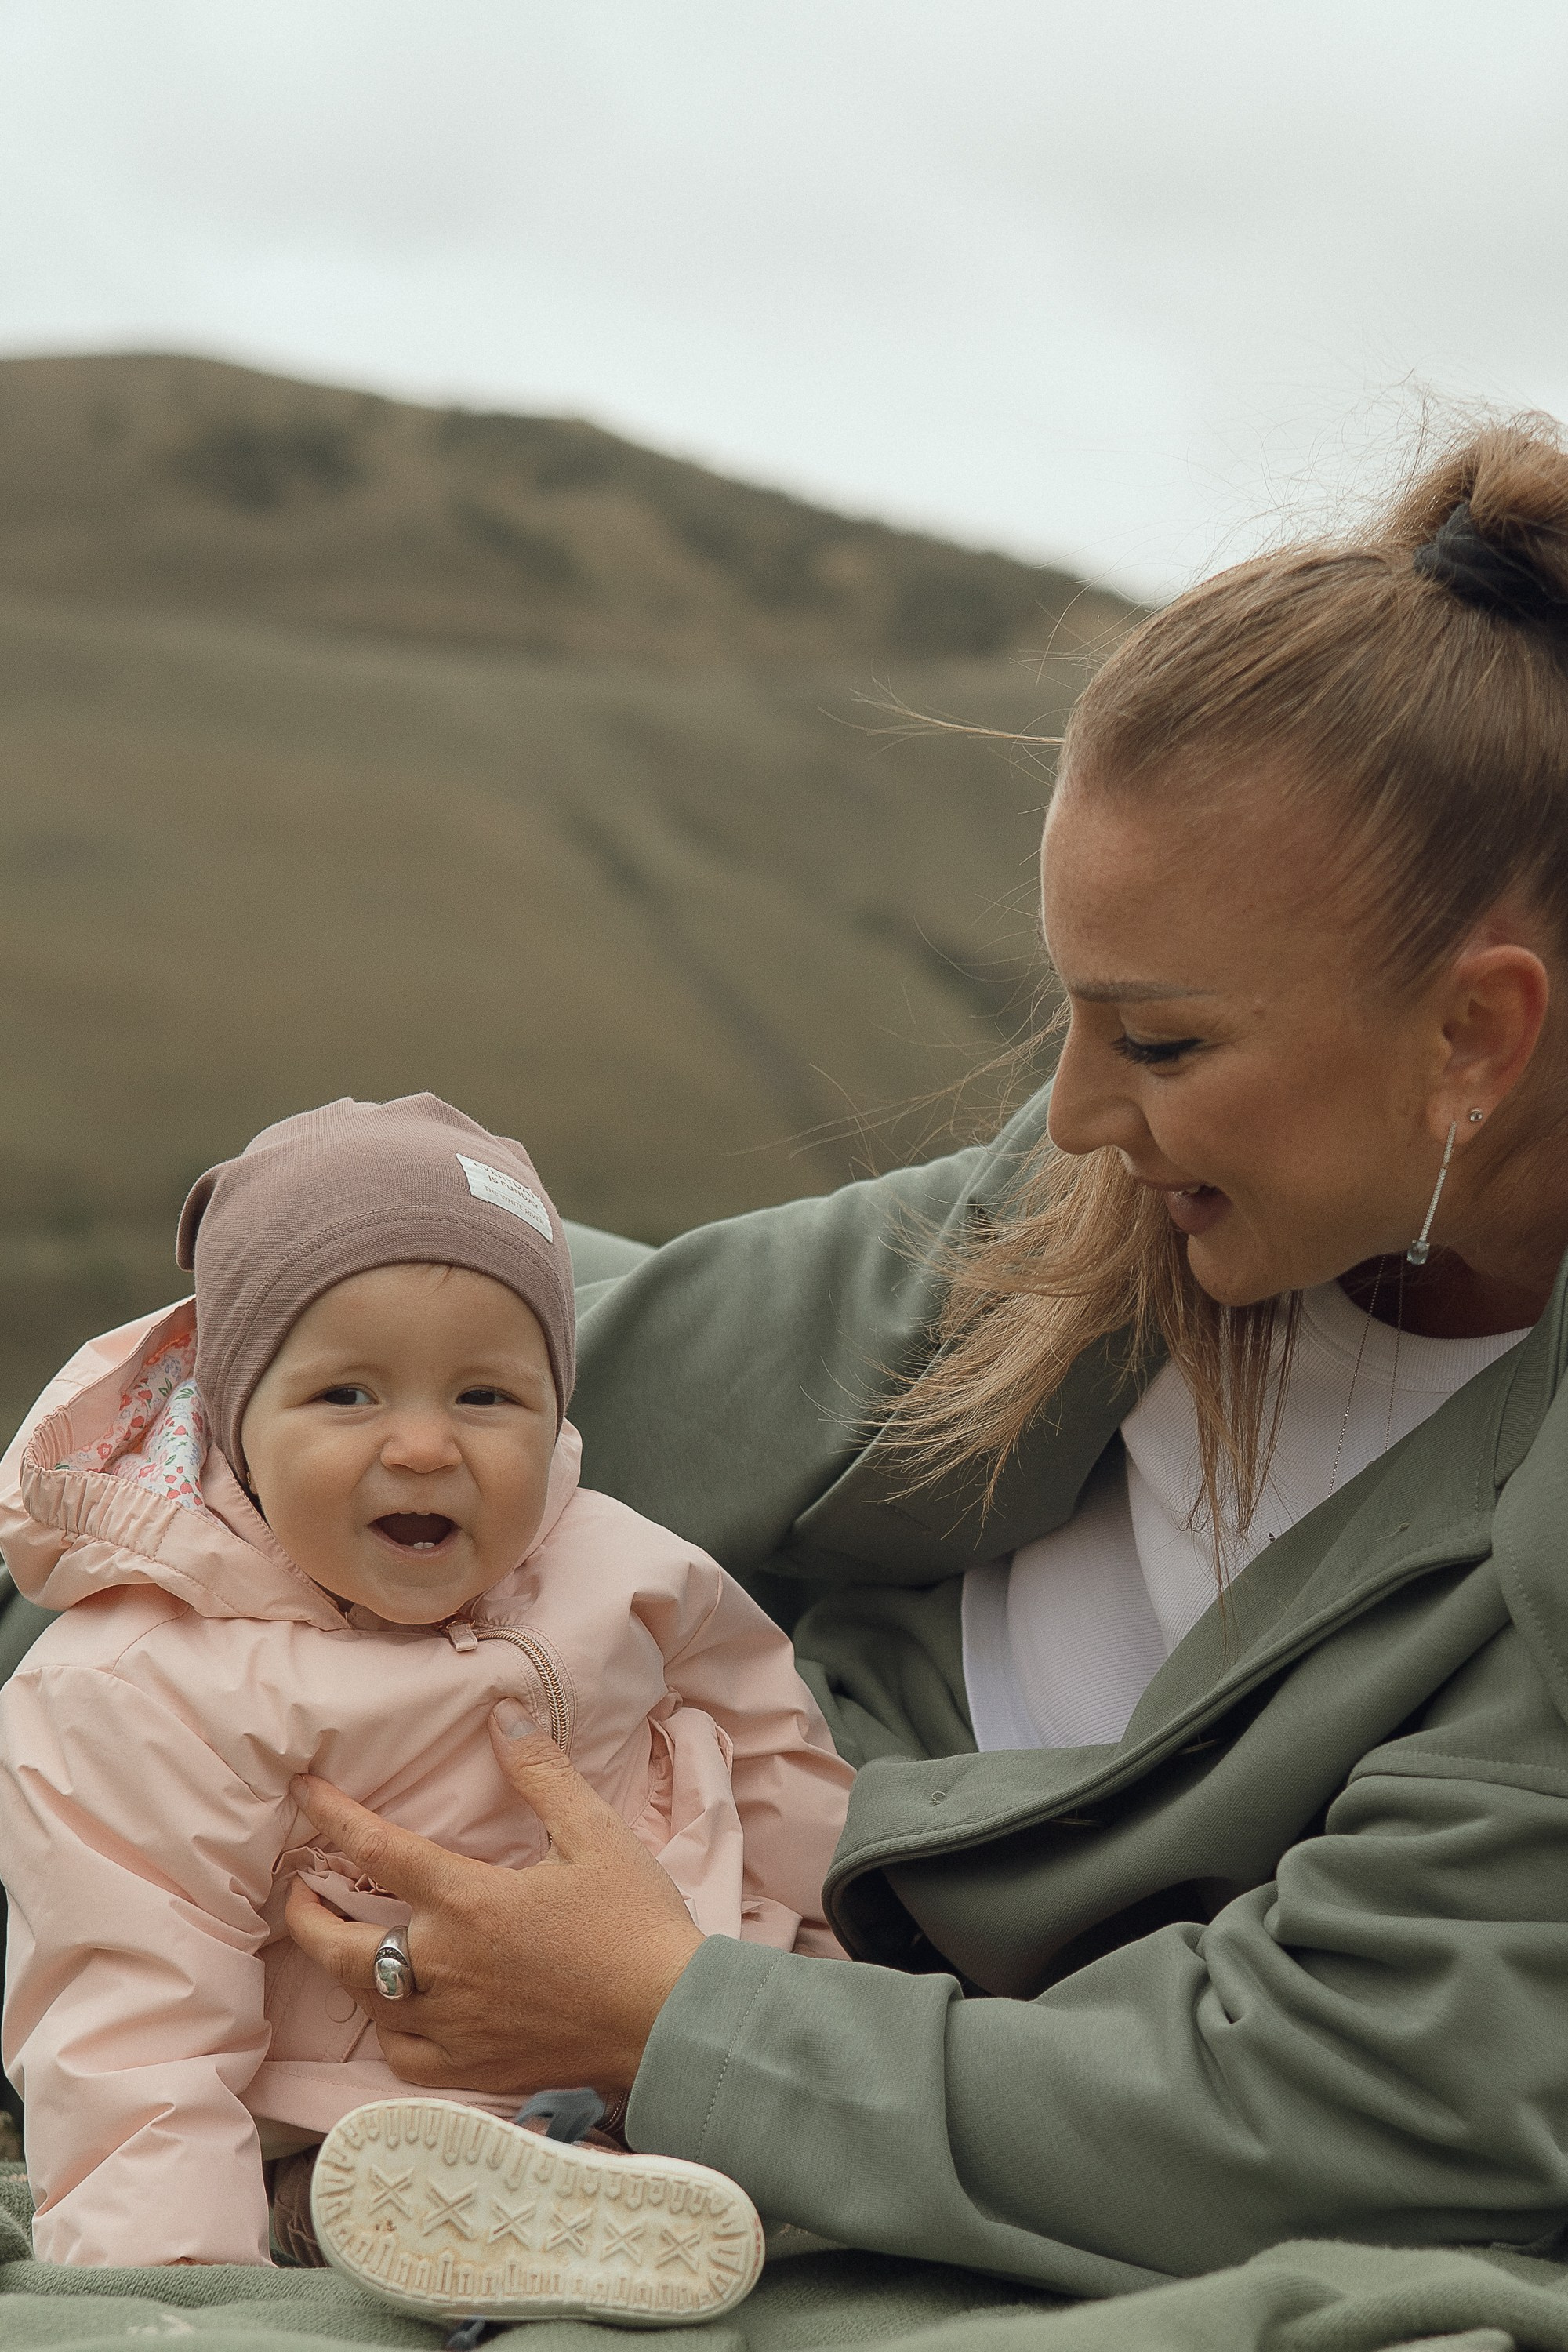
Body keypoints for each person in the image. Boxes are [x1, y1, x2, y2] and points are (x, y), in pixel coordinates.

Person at [270, 418, 1568, 2299]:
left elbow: (1335, 2109)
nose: (1075, 1110)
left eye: (1163, 1041)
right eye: (1070, 1015)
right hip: (670, 1804)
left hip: (830, 2018)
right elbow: (619, 1363)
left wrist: (664, 2016)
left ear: (1474, 1035)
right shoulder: (1109, 1199)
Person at [0, 1094, 851, 2279]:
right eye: (347, 1395)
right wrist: (172, 2290)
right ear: (234, 1420)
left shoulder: (627, 1567)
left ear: (557, 1412)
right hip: (366, 2104)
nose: (422, 1447)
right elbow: (130, 2014)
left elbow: (775, 1747)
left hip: (662, 2029)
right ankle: (337, 2219)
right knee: (337, 2170)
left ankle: (647, 2187)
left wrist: (826, 1970)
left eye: (485, 1397)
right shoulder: (144, 1683)